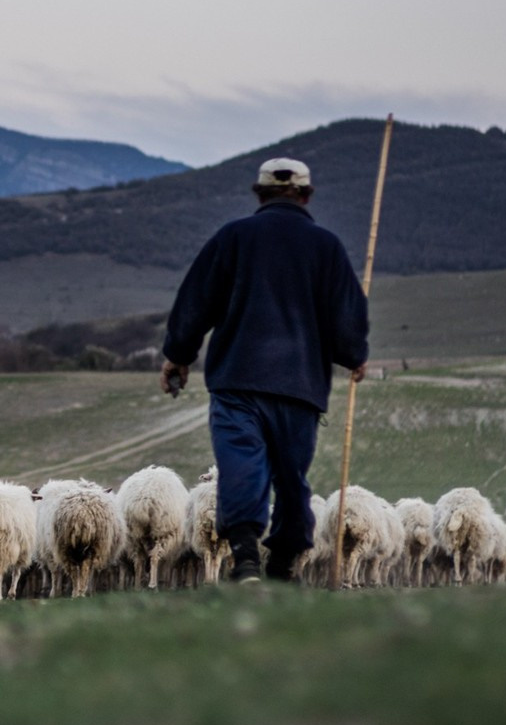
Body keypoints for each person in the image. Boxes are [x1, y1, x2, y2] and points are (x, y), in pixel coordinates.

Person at [158, 157, 369, 583]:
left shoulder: (233, 237)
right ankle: (285, 557)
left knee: (241, 463)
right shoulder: (326, 247)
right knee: (292, 474)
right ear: (307, 195)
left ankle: (246, 555)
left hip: (238, 376)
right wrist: (354, 354)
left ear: (259, 194)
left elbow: (196, 300)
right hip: (300, 384)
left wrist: (178, 354)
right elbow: (347, 317)